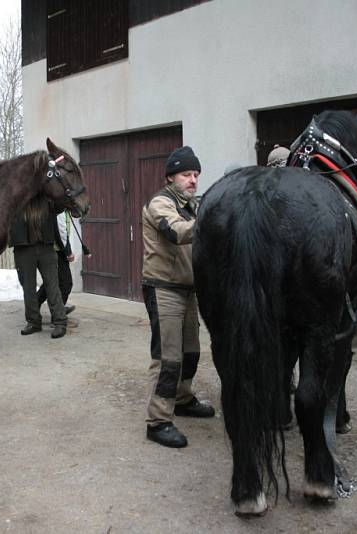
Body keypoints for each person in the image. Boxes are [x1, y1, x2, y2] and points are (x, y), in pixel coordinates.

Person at [141, 145, 215, 449]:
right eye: (187, 174)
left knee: (191, 352)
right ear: (171, 175)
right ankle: (158, 421)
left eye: (196, 174)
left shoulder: (192, 205)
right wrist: (214, 218)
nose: (193, 179)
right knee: (168, 358)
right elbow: (177, 232)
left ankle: (182, 399)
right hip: (164, 288)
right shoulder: (160, 203)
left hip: (187, 289)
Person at [9, 195, 67, 338]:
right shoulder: (16, 194)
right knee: (28, 287)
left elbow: (60, 205)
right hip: (23, 247)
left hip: (46, 246)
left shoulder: (47, 194)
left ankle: (60, 322)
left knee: (52, 285)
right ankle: (33, 322)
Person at [37, 210, 76, 316]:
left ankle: (34, 307)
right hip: (56, 250)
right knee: (66, 283)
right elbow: (61, 231)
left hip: (51, 249)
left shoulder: (61, 207)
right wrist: (68, 251)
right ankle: (58, 314)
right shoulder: (59, 209)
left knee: (50, 282)